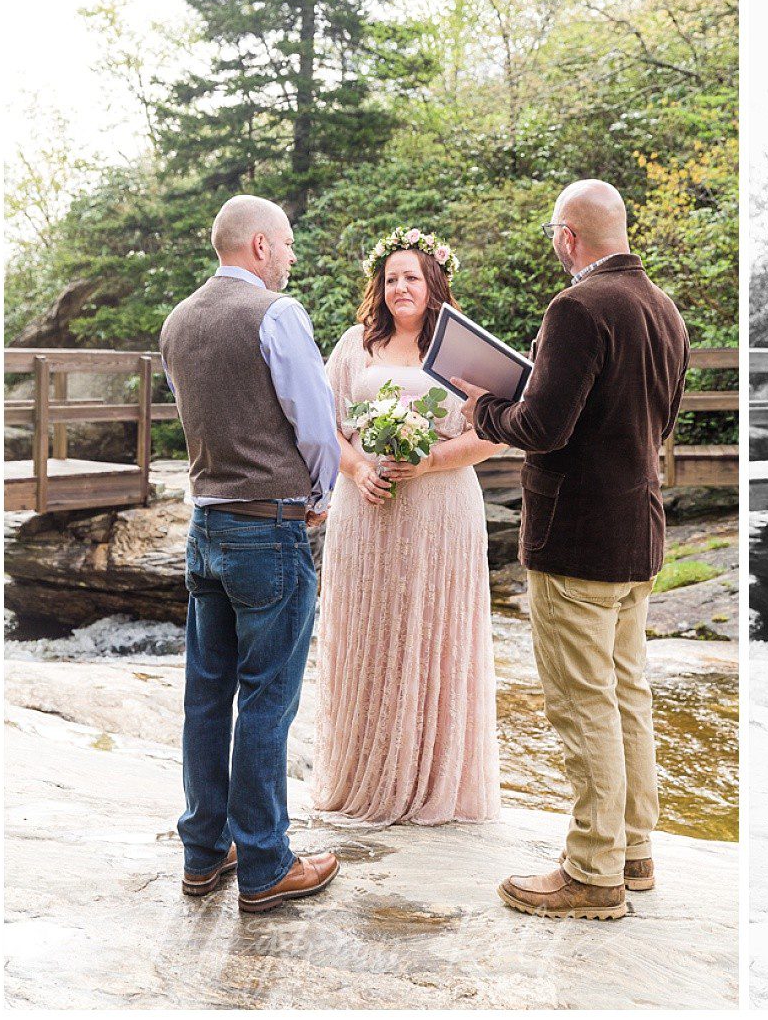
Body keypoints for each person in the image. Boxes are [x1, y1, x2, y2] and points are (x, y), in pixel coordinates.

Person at [452, 179, 689, 921]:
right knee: (625, 692)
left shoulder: (577, 307)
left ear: (567, 237)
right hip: (638, 528)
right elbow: (659, 418)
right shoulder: (665, 308)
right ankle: (634, 848)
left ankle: (592, 872)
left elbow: (545, 425)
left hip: (575, 535)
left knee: (583, 701)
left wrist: (484, 405)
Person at [159, 194, 342, 913]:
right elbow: (317, 425)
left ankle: (205, 853)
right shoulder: (276, 314)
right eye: (289, 244)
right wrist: (320, 495)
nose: (292, 257)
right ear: (260, 246)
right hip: (268, 527)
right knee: (268, 698)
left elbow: (197, 416)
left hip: (204, 529)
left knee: (206, 697)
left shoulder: (176, 322)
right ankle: (266, 862)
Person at [311, 227, 506, 826]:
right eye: (391, 278)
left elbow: (496, 432)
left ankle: (431, 783)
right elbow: (328, 427)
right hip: (366, 511)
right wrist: (359, 468)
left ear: (433, 283)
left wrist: (430, 460)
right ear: (380, 286)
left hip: (442, 512)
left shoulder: (463, 349)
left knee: (435, 630)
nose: (401, 287)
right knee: (369, 632)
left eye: (412, 277)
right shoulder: (354, 346)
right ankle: (363, 776)